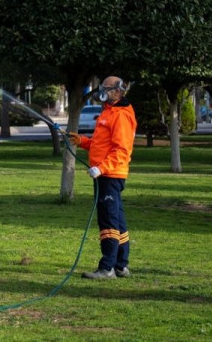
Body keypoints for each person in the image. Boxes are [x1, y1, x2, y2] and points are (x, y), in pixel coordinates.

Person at [68, 76, 137, 280]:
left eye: (106, 88)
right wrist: (81, 141)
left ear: (118, 91)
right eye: (102, 87)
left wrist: (101, 168)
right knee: (118, 220)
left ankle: (107, 268)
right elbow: (101, 144)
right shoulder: (108, 112)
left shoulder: (121, 115)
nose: (102, 91)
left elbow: (121, 151)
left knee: (108, 221)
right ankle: (120, 266)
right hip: (105, 174)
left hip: (110, 174)